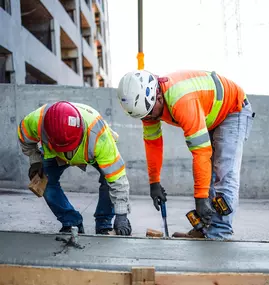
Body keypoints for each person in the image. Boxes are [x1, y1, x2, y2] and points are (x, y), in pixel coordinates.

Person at [117, 69, 254, 239]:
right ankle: (205, 230)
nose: (149, 119)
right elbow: (153, 144)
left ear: (158, 97)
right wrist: (154, 182)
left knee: (224, 172)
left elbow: (201, 152)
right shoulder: (148, 109)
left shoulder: (181, 101)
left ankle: (219, 233)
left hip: (233, 110)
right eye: (144, 116)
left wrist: (201, 198)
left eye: (150, 113)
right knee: (208, 177)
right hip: (210, 114)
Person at [18, 101, 132, 236]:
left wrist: (121, 215)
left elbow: (117, 179)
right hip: (53, 151)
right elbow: (24, 138)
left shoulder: (99, 138)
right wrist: (35, 160)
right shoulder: (35, 121)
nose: (68, 151)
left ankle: (104, 224)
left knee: (109, 180)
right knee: (47, 183)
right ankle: (71, 222)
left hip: (89, 149)